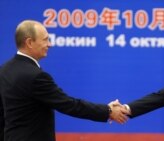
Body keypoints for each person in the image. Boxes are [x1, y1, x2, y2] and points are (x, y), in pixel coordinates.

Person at [0, 20, 128, 141]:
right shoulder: (36, 76)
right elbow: (69, 105)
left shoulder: (4, 70)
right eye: (45, 40)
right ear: (29, 42)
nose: (49, 44)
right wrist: (108, 111)